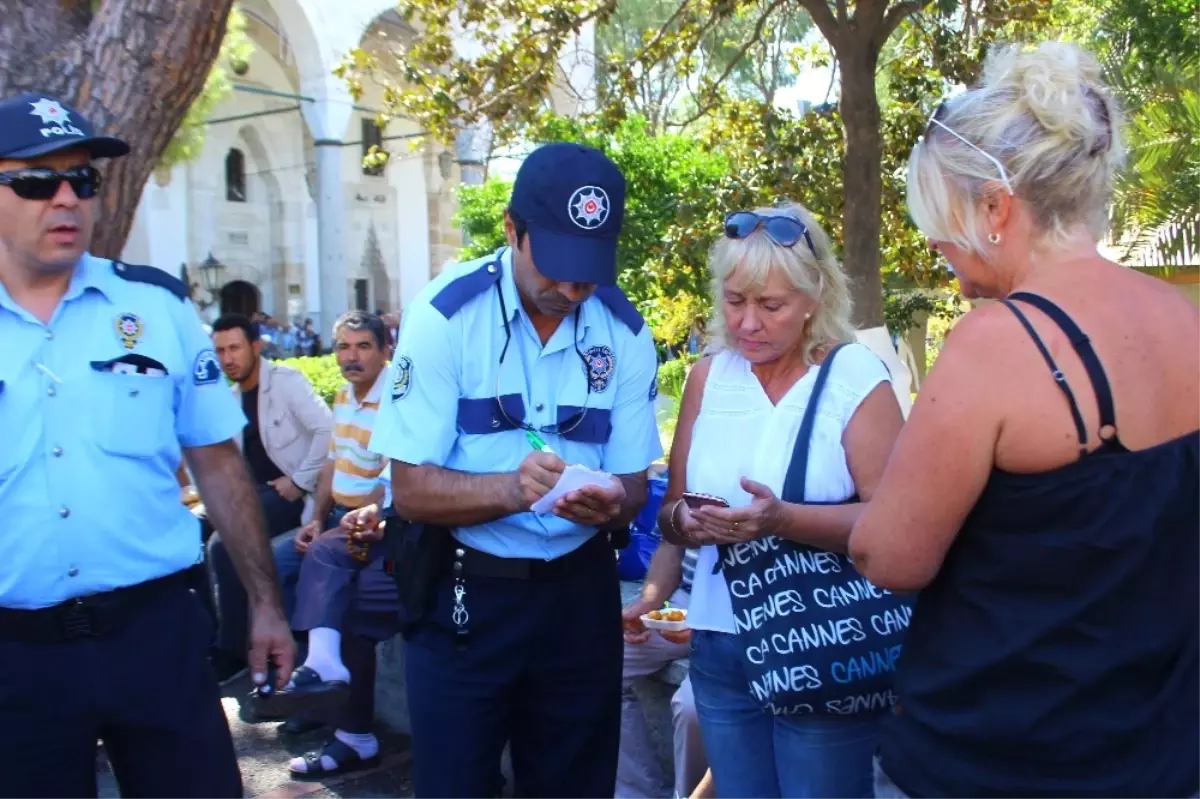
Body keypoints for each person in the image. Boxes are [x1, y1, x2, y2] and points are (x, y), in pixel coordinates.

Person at [848, 42, 1200, 799]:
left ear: (996, 208)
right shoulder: (1185, 319)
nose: (940, 250)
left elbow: (892, 557)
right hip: (1157, 753)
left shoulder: (1000, 344)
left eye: (941, 222)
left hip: (999, 757)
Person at [0, 91, 293, 798]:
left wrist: (264, 603)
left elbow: (219, 464)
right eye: (38, 182)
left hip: (153, 635)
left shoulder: (155, 309)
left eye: (84, 180)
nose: (66, 199)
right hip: (15, 657)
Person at [366, 142, 663, 797]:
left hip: (580, 597)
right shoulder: (446, 316)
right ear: (511, 229)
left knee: (575, 785)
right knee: (456, 784)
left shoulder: (624, 332)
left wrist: (611, 501)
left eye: (588, 271)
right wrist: (511, 489)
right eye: (554, 266)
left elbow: (637, 482)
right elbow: (411, 488)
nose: (570, 288)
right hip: (467, 595)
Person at [658, 202, 904, 798]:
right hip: (718, 641)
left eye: (770, 306)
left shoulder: (855, 378)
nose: (747, 323)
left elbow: (898, 524)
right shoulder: (708, 377)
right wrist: (688, 522)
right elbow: (669, 511)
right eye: (734, 300)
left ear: (814, 297)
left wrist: (782, 520)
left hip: (824, 643)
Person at [198, 312, 333, 683]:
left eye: (235, 348)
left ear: (256, 347)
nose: (227, 359)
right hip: (254, 496)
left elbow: (327, 429)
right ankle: (214, 634)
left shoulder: (284, 382)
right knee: (193, 531)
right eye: (220, 351)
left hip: (293, 496)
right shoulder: (229, 397)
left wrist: (299, 479)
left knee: (221, 546)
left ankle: (233, 650)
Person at [618, 543, 711, 799]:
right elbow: (671, 542)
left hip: (756, 609)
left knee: (695, 707)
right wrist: (650, 602)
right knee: (593, 667)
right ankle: (638, 793)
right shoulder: (683, 502)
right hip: (686, 599)